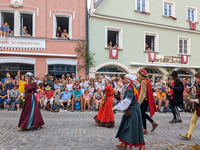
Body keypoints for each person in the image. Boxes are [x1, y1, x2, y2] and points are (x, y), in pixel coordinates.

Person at [113, 74, 146, 150]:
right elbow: (123, 89)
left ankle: (142, 145)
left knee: (135, 127)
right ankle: (124, 143)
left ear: (128, 80)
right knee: (125, 125)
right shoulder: (128, 87)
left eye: (124, 79)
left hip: (133, 110)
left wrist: (115, 107)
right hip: (130, 109)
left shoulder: (131, 89)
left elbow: (127, 101)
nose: (123, 80)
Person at [179, 73, 200, 140]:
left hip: (198, 104)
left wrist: (194, 100)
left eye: (197, 77)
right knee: (193, 120)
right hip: (198, 107)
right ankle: (189, 135)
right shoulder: (198, 86)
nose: (195, 79)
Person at [138, 69, 157, 134]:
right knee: (142, 114)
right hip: (146, 100)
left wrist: (139, 102)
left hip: (143, 101)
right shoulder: (147, 81)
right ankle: (153, 122)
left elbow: (143, 93)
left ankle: (145, 128)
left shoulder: (143, 81)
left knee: (142, 114)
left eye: (139, 74)